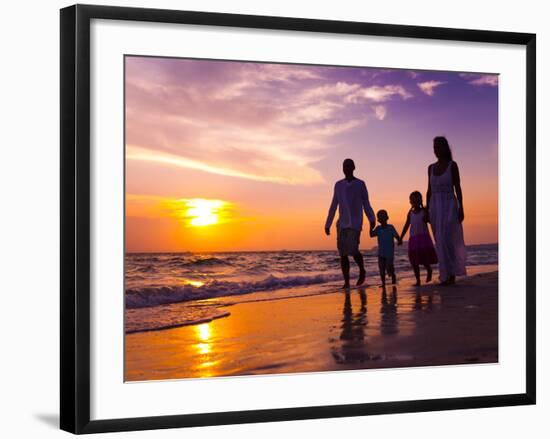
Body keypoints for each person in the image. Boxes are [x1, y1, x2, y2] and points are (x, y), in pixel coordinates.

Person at [325, 158, 376, 288]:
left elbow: (366, 203)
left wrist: (371, 219)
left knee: (353, 250)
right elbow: (333, 205)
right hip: (342, 224)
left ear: (354, 168)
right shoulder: (338, 185)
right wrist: (328, 223)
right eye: (344, 166)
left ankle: (362, 270)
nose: (346, 168)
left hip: (355, 223)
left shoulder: (360, 184)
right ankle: (346, 282)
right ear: (342, 168)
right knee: (343, 254)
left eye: (348, 166)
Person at [426, 136, 467, 285]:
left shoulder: (452, 165)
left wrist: (461, 207)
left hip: (449, 204)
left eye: (438, 146)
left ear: (445, 148)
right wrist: (426, 209)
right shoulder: (430, 168)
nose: (436, 150)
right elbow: (429, 190)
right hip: (435, 206)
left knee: (448, 238)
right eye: (434, 147)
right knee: (440, 240)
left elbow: (458, 187)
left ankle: (452, 273)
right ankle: (445, 274)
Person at [399, 191, 438, 286]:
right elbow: (406, 225)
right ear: (410, 202)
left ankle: (429, 270)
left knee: (424, 258)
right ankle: (418, 280)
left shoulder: (424, 211)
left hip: (423, 238)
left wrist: (427, 217)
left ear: (421, 200)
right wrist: (401, 237)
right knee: (414, 261)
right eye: (413, 200)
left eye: (417, 199)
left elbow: (430, 221)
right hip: (413, 239)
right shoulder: (410, 213)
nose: (415, 202)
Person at [370, 209, 401, 287]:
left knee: (389, 267)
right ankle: (383, 283)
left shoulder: (390, 227)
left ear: (387, 217)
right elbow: (371, 235)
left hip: (389, 252)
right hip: (381, 252)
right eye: (379, 217)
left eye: (383, 216)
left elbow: (396, 236)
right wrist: (371, 227)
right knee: (381, 269)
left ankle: (393, 275)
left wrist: (399, 240)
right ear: (378, 219)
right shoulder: (378, 228)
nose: (381, 218)